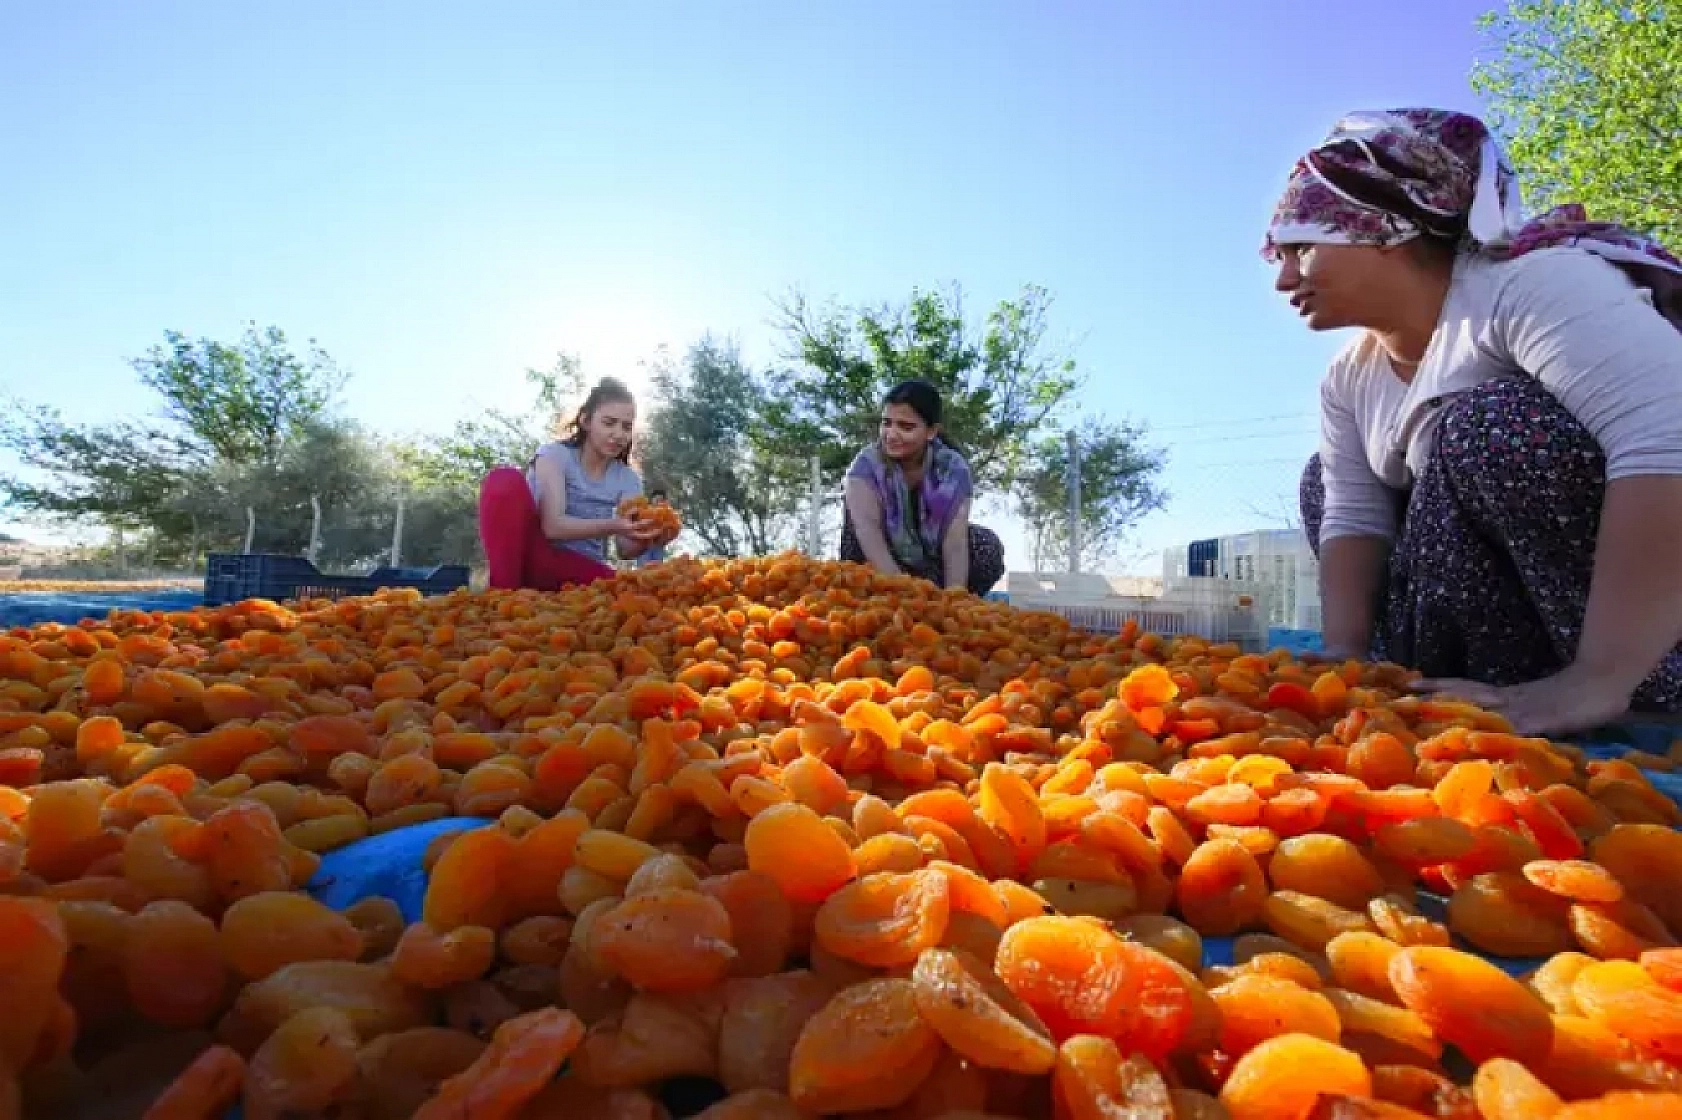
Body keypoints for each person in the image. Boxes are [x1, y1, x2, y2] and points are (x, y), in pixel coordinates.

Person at [1264, 107, 1682, 736]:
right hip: (1502, 627)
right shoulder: (1349, 377)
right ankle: (1445, 678)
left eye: (1302, 248)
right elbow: (1353, 515)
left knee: (1491, 427)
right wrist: (1344, 660)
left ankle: (1635, 689)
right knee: (1322, 479)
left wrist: (1602, 675)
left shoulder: (1532, 286)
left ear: (1385, 230)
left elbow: (1667, 436)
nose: (1284, 278)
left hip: (1632, 633)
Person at [478, 377, 676, 590]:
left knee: (630, 590)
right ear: (586, 421)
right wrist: (615, 524)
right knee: (504, 479)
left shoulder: (628, 479)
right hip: (533, 556)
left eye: (626, 427)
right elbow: (552, 527)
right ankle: (502, 595)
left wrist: (650, 534)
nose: (618, 434)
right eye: (609, 423)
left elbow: (624, 549)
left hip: (580, 568)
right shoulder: (554, 456)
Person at [839, 379, 1006, 597]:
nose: (891, 434)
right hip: (876, 564)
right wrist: (903, 592)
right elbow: (868, 533)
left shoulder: (953, 469)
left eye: (905, 426)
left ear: (931, 431)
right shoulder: (865, 467)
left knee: (987, 546)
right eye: (886, 423)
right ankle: (869, 606)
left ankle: (940, 605)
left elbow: (954, 543)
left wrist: (954, 599)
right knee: (854, 523)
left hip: (929, 567)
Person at [639, 488, 671, 566]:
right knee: (643, 568)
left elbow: (669, 531)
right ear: (652, 499)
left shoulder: (666, 514)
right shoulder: (644, 511)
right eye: (656, 499)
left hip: (658, 546)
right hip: (644, 545)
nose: (658, 502)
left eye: (660, 500)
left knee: (657, 569)